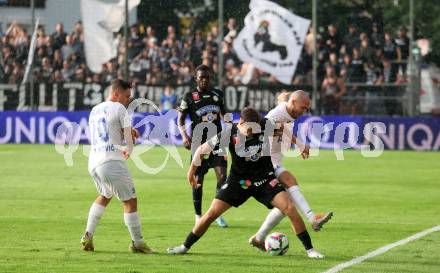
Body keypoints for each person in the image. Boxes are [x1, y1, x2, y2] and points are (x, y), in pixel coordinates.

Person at [167, 107, 322, 257]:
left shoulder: (265, 124)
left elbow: (284, 128)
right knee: (211, 214)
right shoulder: (228, 132)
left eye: (254, 130)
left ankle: (310, 251)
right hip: (238, 181)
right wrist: (190, 173)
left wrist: (300, 145)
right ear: (240, 122)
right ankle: (184, 247)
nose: (252, 133)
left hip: (264, 179)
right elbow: (202, 150)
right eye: (249, 130)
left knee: (289, 208)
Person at [248, 90, 332, 258]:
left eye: (307, 108)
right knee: (290, 181)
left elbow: (283, 129)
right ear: (293, 102)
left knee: (286, 205)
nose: (305, 111)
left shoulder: (288, 113)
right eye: (303, 107)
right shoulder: (276, 114)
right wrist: (298, 143)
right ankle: (312, 220)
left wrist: (298, 144)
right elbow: (263, 130)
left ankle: (259, 238)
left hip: (275, 161)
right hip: (265, 163)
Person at [80, 79, 153, 254]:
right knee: (130, 201)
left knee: (105, 194)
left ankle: (88, 235)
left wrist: (124, 131)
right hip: (111, 161)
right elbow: (128, 140)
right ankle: (138, 243)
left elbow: (104, 132)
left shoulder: (94, 110)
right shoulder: (120, 108)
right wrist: (129, 149)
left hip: (94, 162)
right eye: (127, 96)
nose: (128, 100)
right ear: (116, 93)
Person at [177, 64, 228, 227]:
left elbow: (225, 115)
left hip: (217, 140)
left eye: (207, 77)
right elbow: (180, 119)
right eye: (201, 78)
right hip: (198, 142)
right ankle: (198, 215)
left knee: (222, 176)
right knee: (198, 180)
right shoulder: (189, 96)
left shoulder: (217, 94)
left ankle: (216, 212)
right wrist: (184, 136)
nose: (204, 80)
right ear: (196, 79)